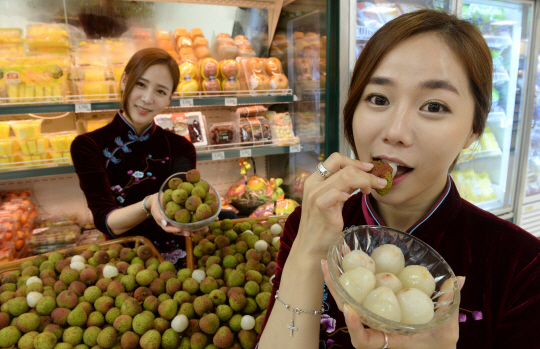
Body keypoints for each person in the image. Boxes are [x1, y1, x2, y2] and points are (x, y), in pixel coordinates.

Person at [257, 9, 540, 349]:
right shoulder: (310, 222)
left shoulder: (523, 266)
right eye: (378, 99)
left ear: (474, 129)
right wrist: (307, 253)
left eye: (434, 106)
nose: (395, 132)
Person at [71, 48, 196, 265]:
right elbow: (106, 221)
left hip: (177, 264)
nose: (147, 99)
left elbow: (182, 207)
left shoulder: (181, 148)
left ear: (169, 98)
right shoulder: (88, 146)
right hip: (122, 266)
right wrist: (148, 204)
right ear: (124, 81)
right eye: (140, 84)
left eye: (160, 91)